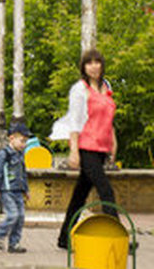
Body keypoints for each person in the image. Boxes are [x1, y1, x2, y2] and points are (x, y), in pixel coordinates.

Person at [53, 48, 118, 250]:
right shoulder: (80, 89)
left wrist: (113, 143)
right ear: (84, 67)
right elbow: (75, 120)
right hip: (86, 147)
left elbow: (109, 119)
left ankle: (64, 238)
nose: (94, 66)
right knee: (105, 190)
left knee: (79, 196)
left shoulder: (106, 88)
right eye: (89, 63)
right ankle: (118, 237)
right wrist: (73, 150)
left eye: (97, 62)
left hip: (102, 147)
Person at [0, 122, 32, 254]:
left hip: (18, 190)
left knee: (20, 217)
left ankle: (14, 243)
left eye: (25, 142)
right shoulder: (3, 154)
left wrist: (26, 189)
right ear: (11, 138)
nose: (24, 144)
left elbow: (23, 173)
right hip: (6, 190)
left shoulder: (20, 154)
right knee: (12, 214)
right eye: (22, 141)